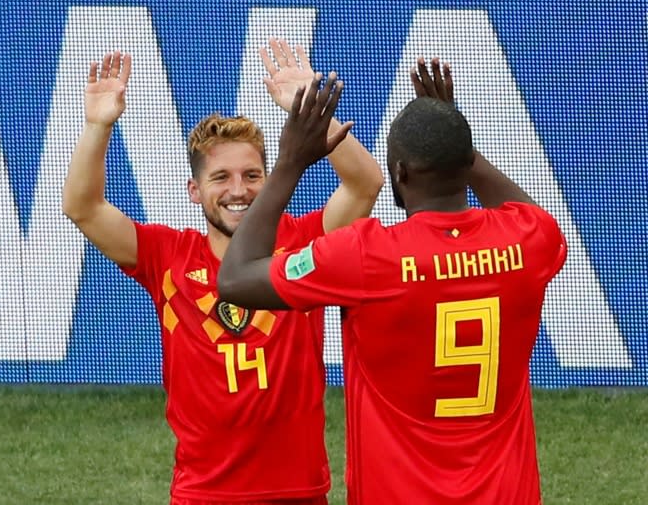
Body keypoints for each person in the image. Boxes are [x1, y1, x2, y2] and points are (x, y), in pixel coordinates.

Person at [218, 58, 568, 504]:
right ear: (466, 163)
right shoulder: (527, 243)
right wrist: (455, 140)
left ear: (399, 173)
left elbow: (235, 278)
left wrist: (290, 161)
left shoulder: (365, 255)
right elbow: (533, 217)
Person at [62, 39, 383, 504]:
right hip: (204, 494)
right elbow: (82, 207)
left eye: (252, 176)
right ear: (194, 190)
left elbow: (365, 183)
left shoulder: (303, 243)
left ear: (270, 180)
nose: (239, 190)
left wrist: (308, 113)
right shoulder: (165, 255)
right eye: (221, 178)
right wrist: (96, 126)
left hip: (298, 490)